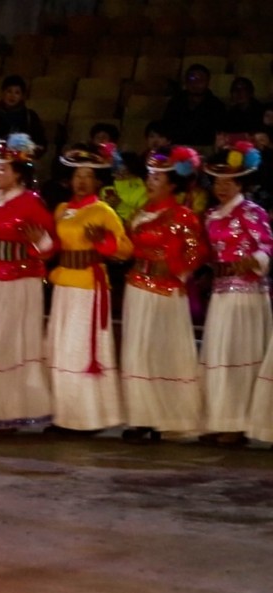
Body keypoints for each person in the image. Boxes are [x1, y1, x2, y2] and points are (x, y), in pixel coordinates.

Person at [0, 134, 56, 432]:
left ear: (18, 172)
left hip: (21, 279)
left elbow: (50, 244)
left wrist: (38, 240)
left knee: (13, 342)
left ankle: (15, 410)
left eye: (3, 169)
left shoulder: (30, 202)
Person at [120, 147, 208, 442]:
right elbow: (130, 248)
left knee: (161, 351)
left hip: (165, 292)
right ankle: (140, 417)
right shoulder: (140, 213)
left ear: (172, 184)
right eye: (149, 176)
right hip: (136, 287)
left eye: (157, 177)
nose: (150, 181)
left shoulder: (183, 216)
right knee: (137, 351)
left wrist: (173, 268)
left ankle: (164, 416)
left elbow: (197, 253)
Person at [47, 143, 133, 433]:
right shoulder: (62, 209)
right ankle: (65, 415)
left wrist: (101, 242)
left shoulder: (104, 211)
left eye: (88, 176)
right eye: (77, 175)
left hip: (88, 286)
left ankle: (88, 418)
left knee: (81, 349)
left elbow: (124, 250)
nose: (81, 181)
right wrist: (38, 243)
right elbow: (53, 247)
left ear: (98, 181)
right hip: (64, 284)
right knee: (62, 349)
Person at [197, 143, 271, 446]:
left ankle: (238, 423)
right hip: (221, 293)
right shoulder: (212, 215)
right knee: (218, 354)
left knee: (239, 356)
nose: (221, 187)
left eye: (228, 182)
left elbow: (267, 245)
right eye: (217, 182)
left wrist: (255, 260)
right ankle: (219, 419)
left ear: (241, 183)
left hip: (246, 294)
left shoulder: (252, 213)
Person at [0, 76, 47, 152]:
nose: (12, 96)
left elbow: (40, 144)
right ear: (3, 93)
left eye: (17, 93)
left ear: (22, 96)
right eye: (9, 91)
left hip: (22, 160)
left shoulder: (30, 116)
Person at [161, 64, 227, 148]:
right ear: (186, 81)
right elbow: (166, 128)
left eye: (201, 79)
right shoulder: (175, 103)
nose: (196, 83)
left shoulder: (217, 106)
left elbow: (220, 135)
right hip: (177, 149)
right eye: (192, 78)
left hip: (206, 151)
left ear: (208, 82)